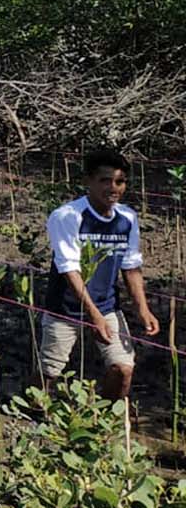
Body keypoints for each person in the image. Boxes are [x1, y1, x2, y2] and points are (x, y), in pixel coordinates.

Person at [41, 149, 159, 400]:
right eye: (105, 180)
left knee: (123, 368)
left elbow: (130, 266)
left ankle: (106, 416)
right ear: (88, 181)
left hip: (107, 306)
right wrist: (92, 315)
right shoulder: (67, 216)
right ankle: (31, 412)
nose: (113, 188)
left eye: (120, 181)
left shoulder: (127, 218)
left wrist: (142, 309)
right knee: (50, 372)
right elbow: (69, 269)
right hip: (65, 308)